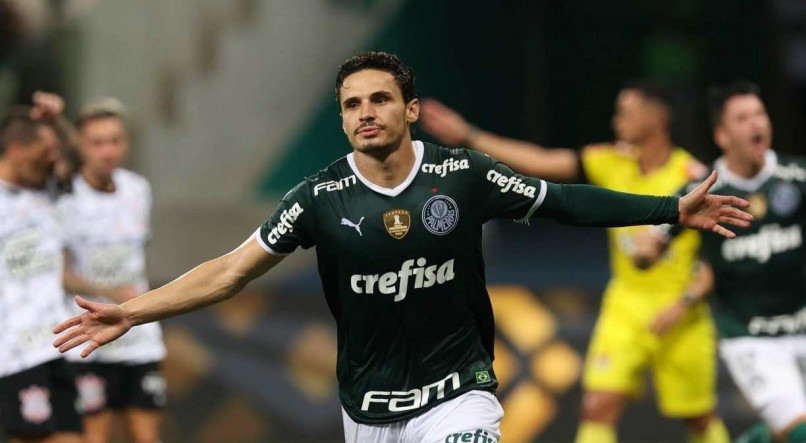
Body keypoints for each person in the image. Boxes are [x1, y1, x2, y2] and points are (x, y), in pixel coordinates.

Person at [52, 52, 750, 443]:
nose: (365, 113)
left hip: (460, 393)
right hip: (370, 408)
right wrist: (134, 311)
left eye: (379, 100)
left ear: (409, 110)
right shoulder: (319, 198)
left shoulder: (462, 174)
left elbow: (564, 199)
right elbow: (231, 270)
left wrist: (669, 208)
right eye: (352, 104)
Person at [420, 84, 729, 443]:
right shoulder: (609, 160)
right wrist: (470, 135)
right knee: (597, 406)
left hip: (681, 314)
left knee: (699, 418)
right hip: (626, 307)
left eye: (625, 111)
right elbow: (540, 162)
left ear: (656, 117)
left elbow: (714, 260)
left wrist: (683, 304)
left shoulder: (693, 177)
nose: (617, 121)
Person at [642, 81, 806, 443]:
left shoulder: (797, 176)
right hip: (751, 338)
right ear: (722, 134)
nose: (756, 124)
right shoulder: (702, 192)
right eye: (743, 118)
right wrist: (644, 250)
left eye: (759, 114)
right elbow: (650, 245)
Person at [58, 97, 166, 443]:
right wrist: (110, 294)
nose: (108, 150)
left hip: (139, 336)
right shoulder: (65, 199)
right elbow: (60, 274)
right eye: (97, 142)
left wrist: (131, 300)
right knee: (95, 436)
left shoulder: (138, 189)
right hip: (90, 337)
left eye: (115, 140)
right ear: (81, 146)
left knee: (147, 436)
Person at [0, 94, 82, 443]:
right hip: (13, 351)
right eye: (46, 148)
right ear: (16, 148)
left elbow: (81, 163)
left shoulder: (47, 190)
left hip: (54, 344)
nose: (54, 155)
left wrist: (57, 124)